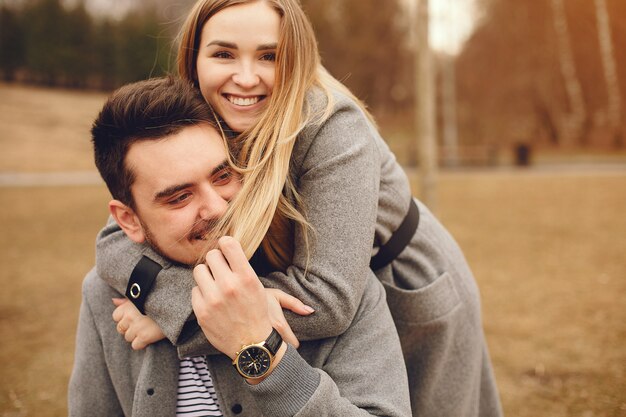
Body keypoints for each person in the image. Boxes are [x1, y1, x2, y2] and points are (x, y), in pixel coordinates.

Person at [96, 1, 503, 416]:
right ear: (193, 58)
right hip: (311, 278)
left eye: (270, 56)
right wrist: (169, 296)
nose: (246, 76)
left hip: (397, 278)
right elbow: (115, 241)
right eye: (223, 54)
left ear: (297, 59)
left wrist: (178, 320)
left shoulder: (331, 125)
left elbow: (328, 299)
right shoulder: (198, 115)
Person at [68, 76, 411, 417]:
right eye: (179, 197)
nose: (217, 207)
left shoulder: (333, 284)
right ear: (128, 220)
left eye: (222, 176)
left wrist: (262, 352)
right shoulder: (105, 297)